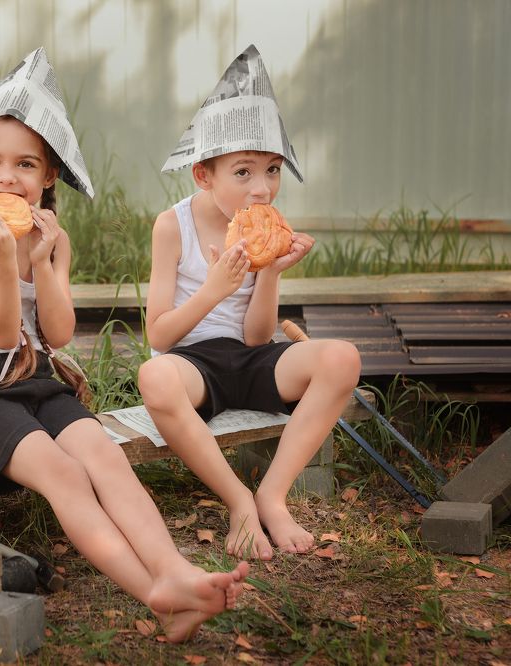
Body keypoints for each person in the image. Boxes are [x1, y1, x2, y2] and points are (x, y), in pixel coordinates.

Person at [0, 48, 248, 642]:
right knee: (65, 475)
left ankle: (175, 568)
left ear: (47, 177)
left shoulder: (53, 237)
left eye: (25, 165)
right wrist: (0, 262)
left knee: (103, 454)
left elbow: (60, 333)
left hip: (35, 376)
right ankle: (158, 595)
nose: (6, 177)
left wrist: (41, 262)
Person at [139, 45, 361, 560]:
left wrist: (270, 274)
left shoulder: (265, 231)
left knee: (342, 357)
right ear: (204, 174)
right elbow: (159, 336)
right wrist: (214, 288)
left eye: (272, 170)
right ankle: (239, 499)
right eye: (243, 172)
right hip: (192, 363)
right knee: (153, 378)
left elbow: (258, 339)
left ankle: (273, 495)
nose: (262, 189)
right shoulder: (173, 226)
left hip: (246, 358)